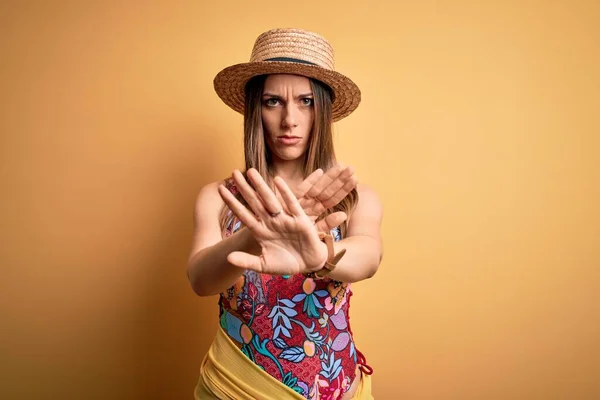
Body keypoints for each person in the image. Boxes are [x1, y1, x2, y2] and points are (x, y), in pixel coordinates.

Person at [187, 28, 383, 400]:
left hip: (337, 389)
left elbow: (369, 257)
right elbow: (200, 279)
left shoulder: (356, 199)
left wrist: (322, 255)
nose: (289, 119)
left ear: (322, 112)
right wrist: (254, 233)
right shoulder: (217, 197)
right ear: (254, 110)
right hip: (234, 388)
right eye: (273, 101)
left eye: (306, 101)